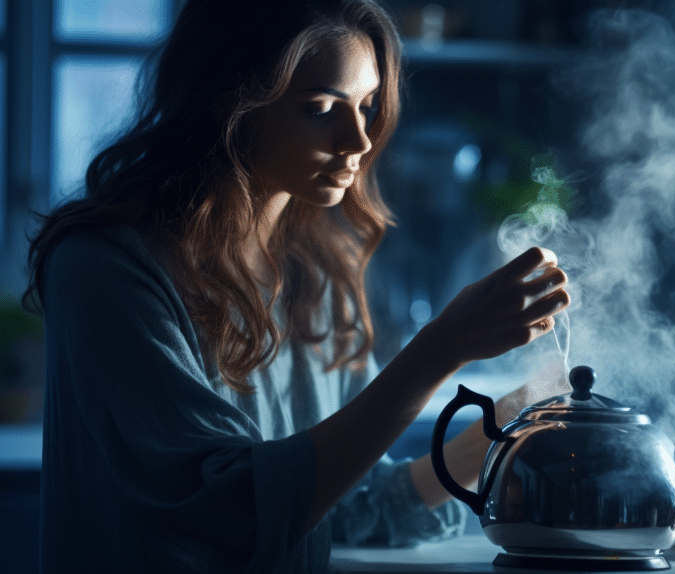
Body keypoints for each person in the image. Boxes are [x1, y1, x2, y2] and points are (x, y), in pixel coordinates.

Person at [24, 1, 570, 572]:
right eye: (319, 108)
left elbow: (345, 504)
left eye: (367, 107)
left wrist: (510, 420)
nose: (358, 141)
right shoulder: (106, 268)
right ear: (228, 103)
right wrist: (440, 349)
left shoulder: (318, 275)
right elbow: (233, 512)